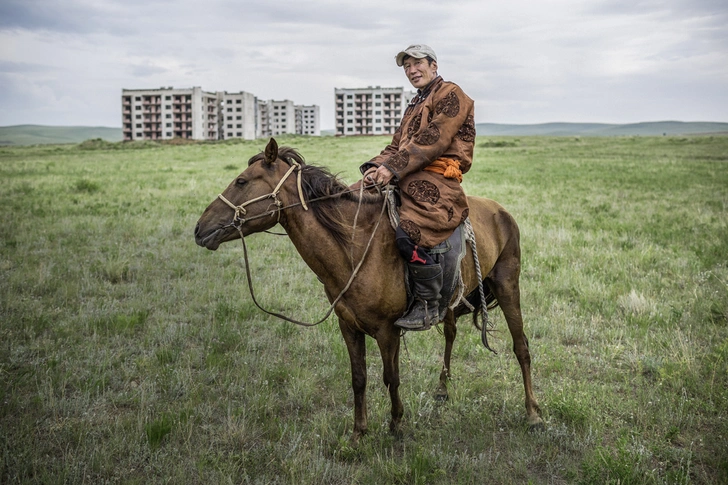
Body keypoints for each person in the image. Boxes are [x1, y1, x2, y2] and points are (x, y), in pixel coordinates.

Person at [361, 44, 476, 331]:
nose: (412, 70)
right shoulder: (414, 104)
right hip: (408, 172)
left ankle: (428, 302)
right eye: (407, 66)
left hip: (437, 178)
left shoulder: (452, 94)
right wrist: (375, 168)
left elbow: (435, 137)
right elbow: (396, 145)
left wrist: (393, 168)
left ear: (433, 65)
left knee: (408, 233)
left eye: (417, 63)